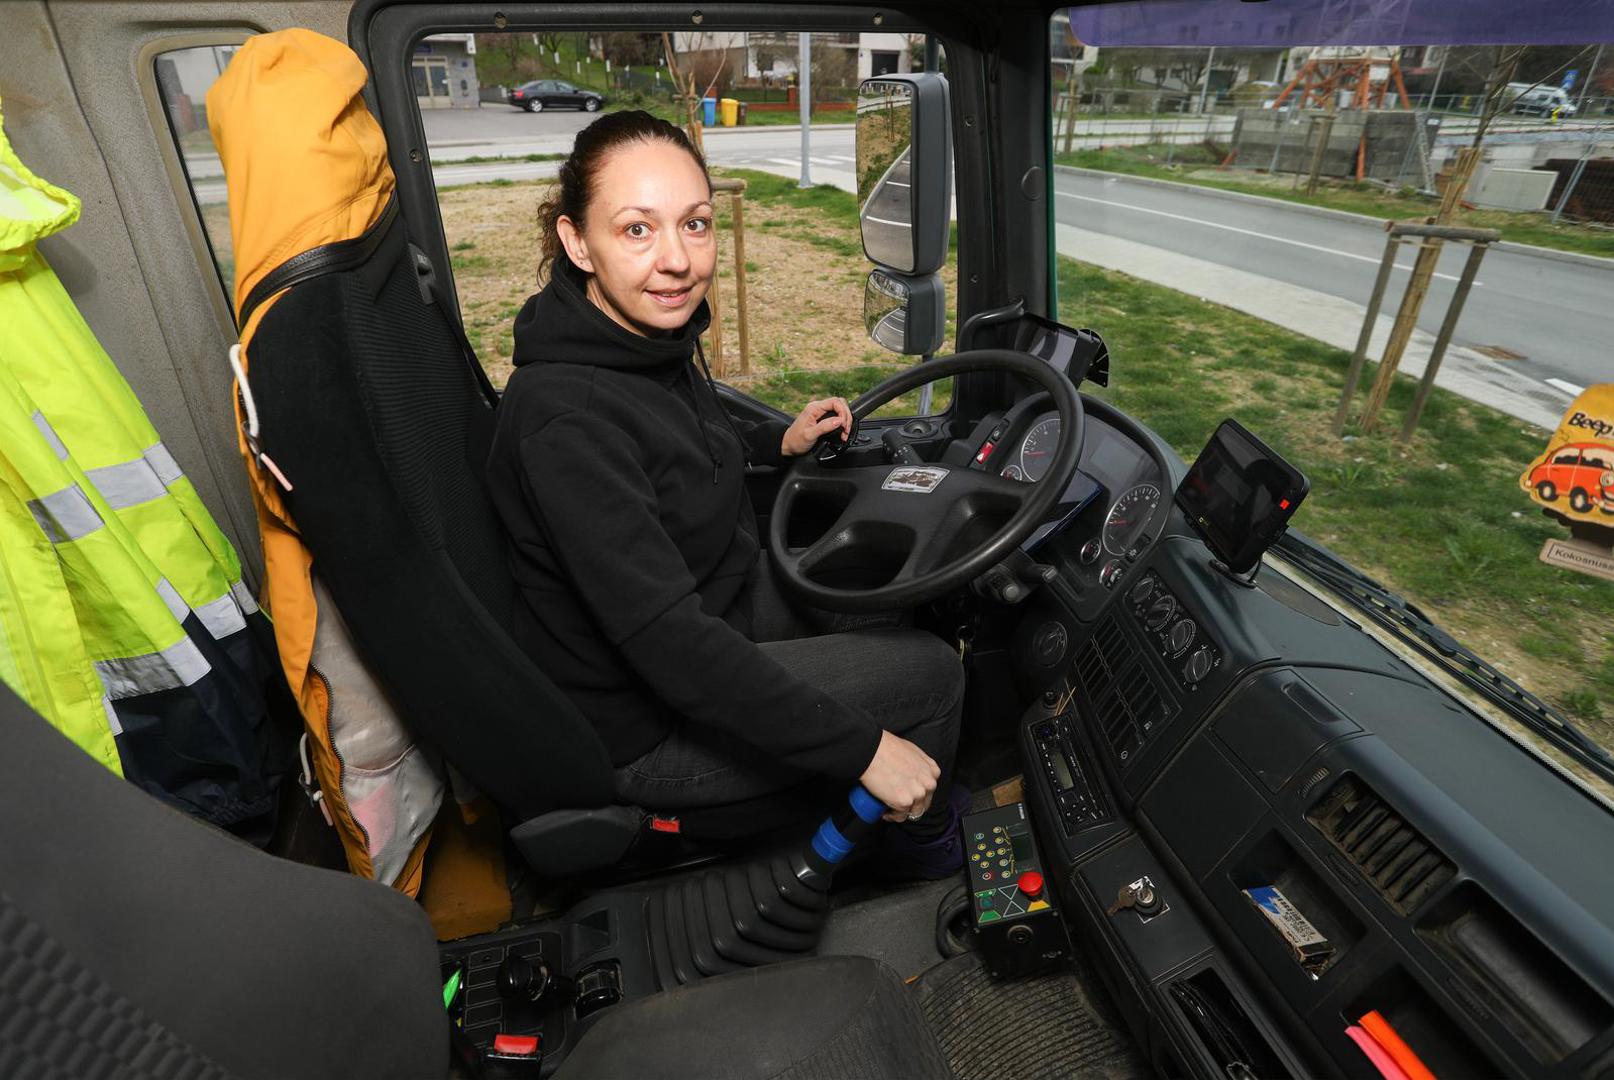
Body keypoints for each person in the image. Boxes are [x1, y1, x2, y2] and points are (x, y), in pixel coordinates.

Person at [485, 111, 965, 876]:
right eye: (637, 231)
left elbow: (668, 452)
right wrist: (866, 748)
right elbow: (676, 649)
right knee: (934, 675)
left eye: (695, 224)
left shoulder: (634, 340)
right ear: (579, 243)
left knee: (883, 590)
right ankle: (911, 867)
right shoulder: (563, 420)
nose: (677, 260)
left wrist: (776, 442)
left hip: (721, 602)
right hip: (650, 728)